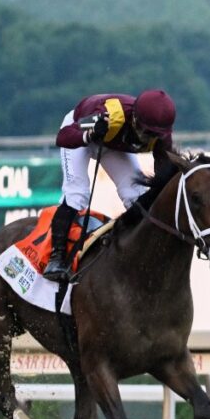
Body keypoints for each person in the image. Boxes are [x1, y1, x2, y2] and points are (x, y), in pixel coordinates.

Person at [44, 89, 177, 282]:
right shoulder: (108, 114)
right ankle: (56, 258)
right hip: (82, 135)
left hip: (113, 145)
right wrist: (90, 134)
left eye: (155, 135)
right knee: (77, 193)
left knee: (136, 195)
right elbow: (63, 137)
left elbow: (163, 174)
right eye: (147, 133)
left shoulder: (162, 135)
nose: (148, 140)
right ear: (134, 120)